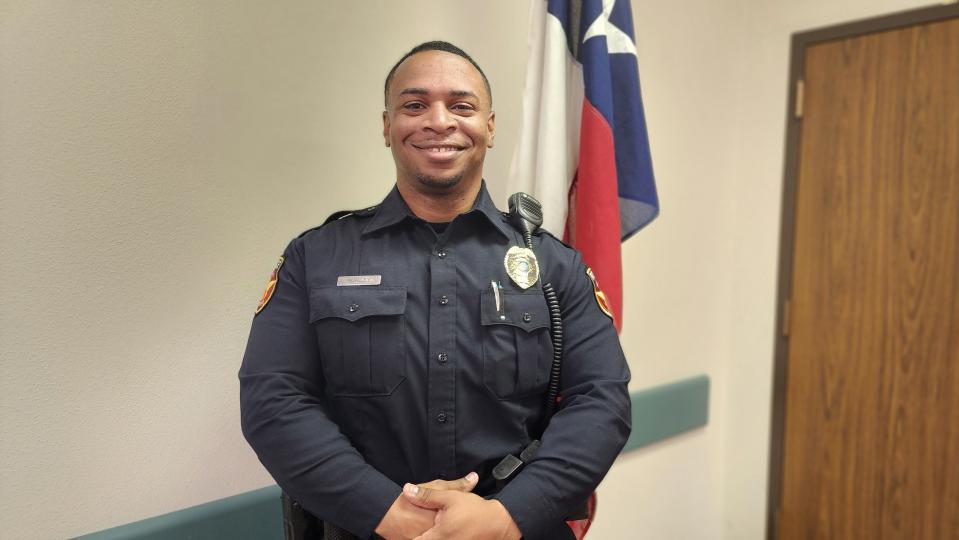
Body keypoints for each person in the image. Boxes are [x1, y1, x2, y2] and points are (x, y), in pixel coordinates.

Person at [239, 41, 631, 540]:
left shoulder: (556, 265)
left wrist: (505, 516)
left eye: (462, 106)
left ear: (490, 126)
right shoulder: (314, 259)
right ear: (387, 126)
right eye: (414, 105)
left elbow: (601, 401)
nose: (439, 121)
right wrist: (387, 512)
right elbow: (274, 399)